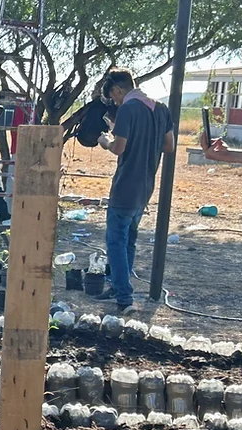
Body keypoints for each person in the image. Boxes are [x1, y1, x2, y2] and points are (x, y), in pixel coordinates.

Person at [97, 68, 175, 314]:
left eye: (113, 96)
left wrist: (105, 140)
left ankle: (123, 296)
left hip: (125, 186)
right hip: (145, 186)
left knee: (115, 241)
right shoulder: (160, 108)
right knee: (129, 239)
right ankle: (119, 285)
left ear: (118, 89)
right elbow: (169, 145)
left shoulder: (128, 109)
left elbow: (119, 148)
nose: (114, 101)